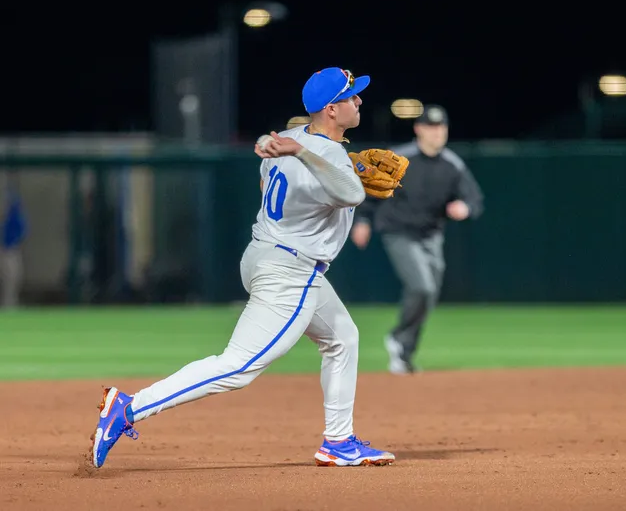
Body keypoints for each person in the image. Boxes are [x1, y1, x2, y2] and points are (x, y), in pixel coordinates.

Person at [90, 67, 395, 469]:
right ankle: (128, 409)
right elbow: (353, 191)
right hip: (290, 272)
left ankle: (338, 441)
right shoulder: (313, 150)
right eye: (351, 96)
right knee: (239, 366)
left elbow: (282, 165)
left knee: (343, 338)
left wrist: (298, 153)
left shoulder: (287, 139)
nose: (359, 101)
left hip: (264, 254)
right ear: (331, 110)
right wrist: (320, 161)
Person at [350, 105, 484, 374]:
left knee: (429, 294)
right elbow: (372, 190)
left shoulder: (452, 165)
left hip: (431, 236)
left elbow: (475, 199)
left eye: (441, 127)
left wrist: (465, 208)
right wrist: (362, 220)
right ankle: (399, 337)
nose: (437, 132)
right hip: (399, 232)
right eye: (431, 127)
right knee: (422, 287)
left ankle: (403, 352)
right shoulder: (400, 159)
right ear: (418, 129)